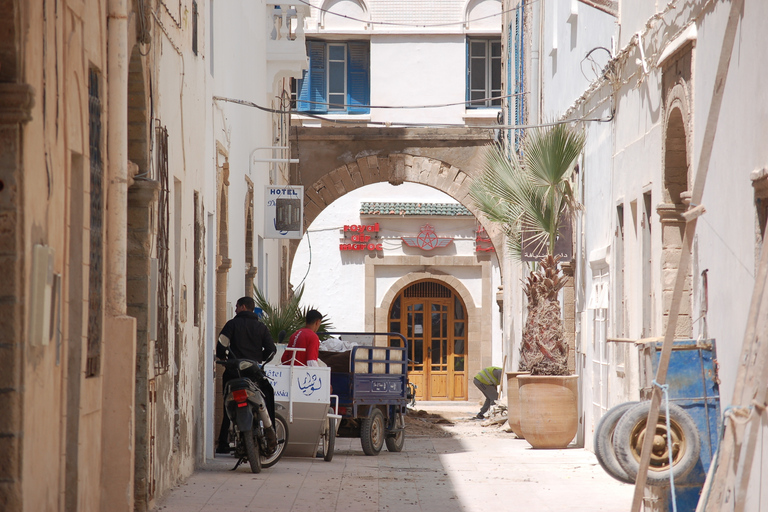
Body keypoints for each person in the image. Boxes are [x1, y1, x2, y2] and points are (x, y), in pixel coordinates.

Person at [216, 296, 277, 455]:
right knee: (267, 395)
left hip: (233, 372)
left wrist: (224, 357)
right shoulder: (261, 327)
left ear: (243, 307)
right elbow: (271, 350)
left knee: (227, 405)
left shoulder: (232, 324)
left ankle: (223, 443)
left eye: (237, 306)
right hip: (253, 375)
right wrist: (258, 358)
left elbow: (221, 346)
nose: (235, 310)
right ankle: (272, 433)